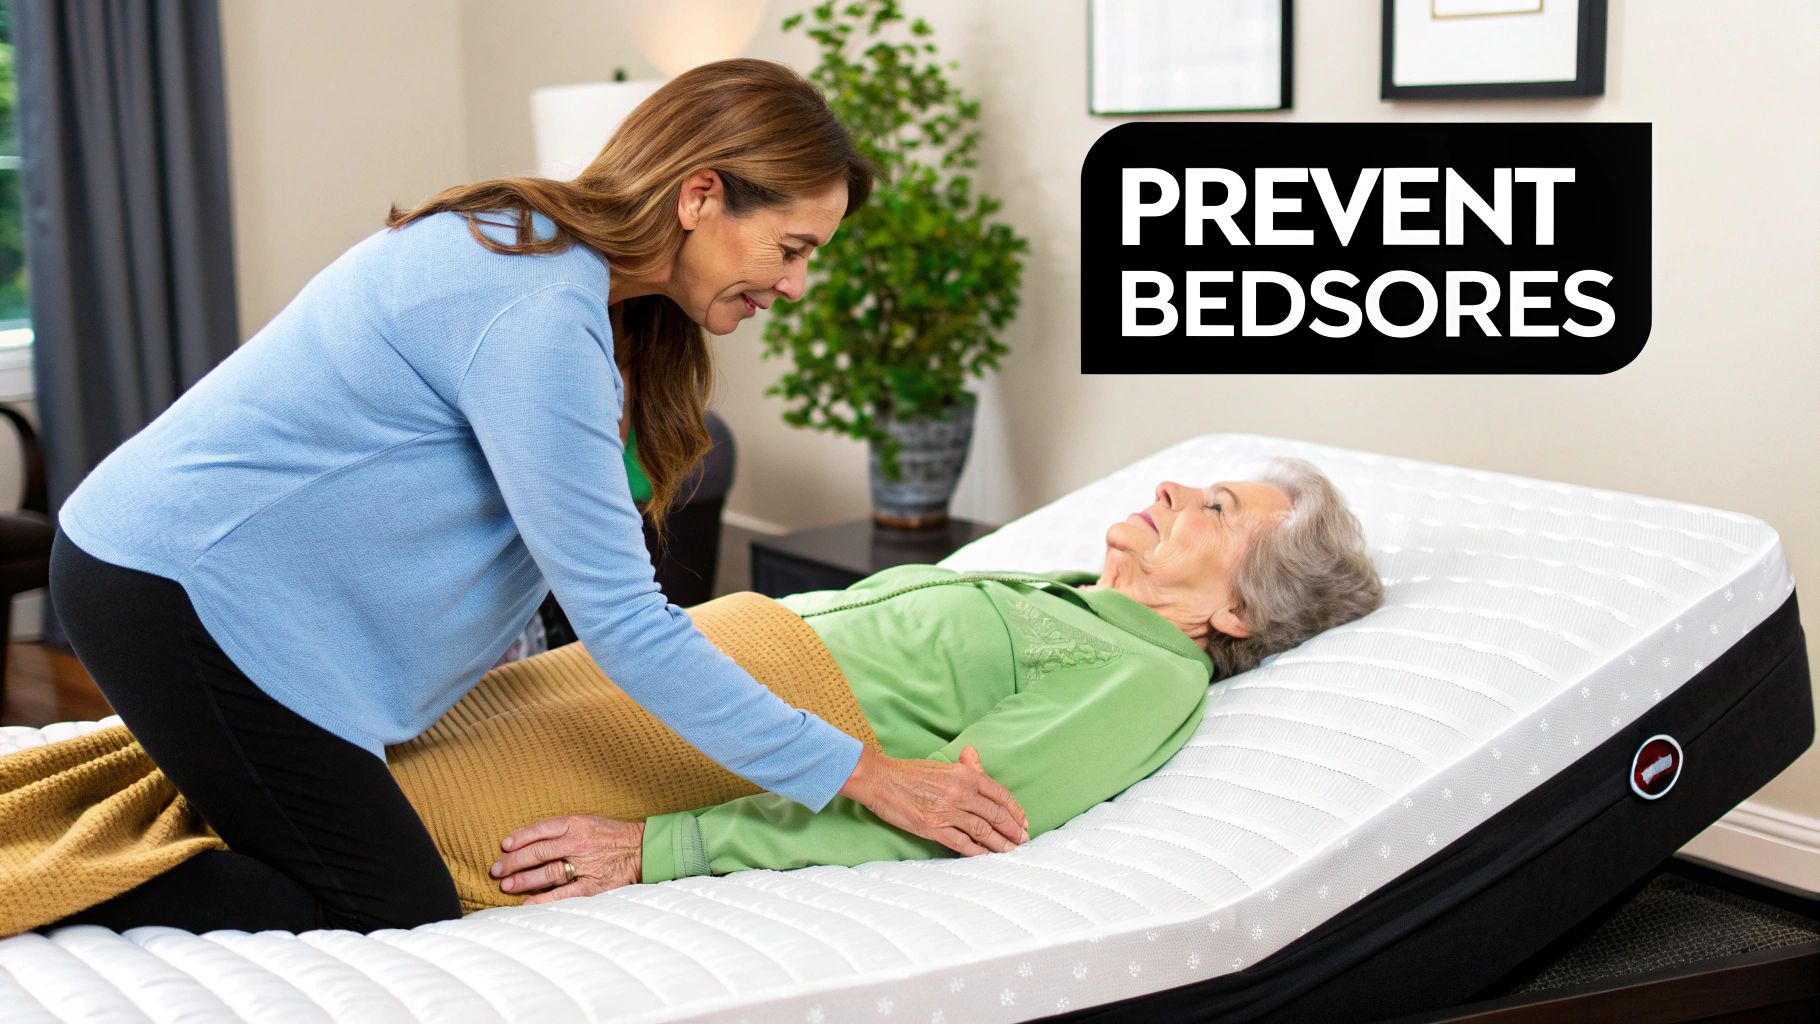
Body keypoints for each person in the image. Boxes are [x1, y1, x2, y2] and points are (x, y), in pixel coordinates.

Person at [42, 58, 1026, 936]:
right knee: (394, 913)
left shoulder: (553, 267)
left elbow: (512, 546)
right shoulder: (535, 310)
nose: (799, 285)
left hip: (196, 583)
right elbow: (629, 626)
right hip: (172, 586)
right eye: (792, 246)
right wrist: (869, 772)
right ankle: (41, 896)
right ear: (699, 197)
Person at [486, 458, 1384, 899]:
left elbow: (946, 812)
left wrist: (664, 849)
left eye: (1213, 511)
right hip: (636, 673)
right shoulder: (1064, 592)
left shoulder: (1149, 676)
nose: (1173, 489)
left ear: (1236, 615)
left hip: (665, 746)